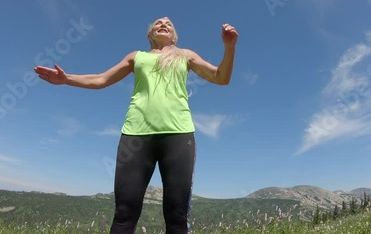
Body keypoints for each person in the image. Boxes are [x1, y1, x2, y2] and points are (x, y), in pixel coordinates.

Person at [34, 17, 238, 234]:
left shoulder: (185, 55)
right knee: (124, 213)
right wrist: (67, 79)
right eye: (158, 22)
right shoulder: (136, 57)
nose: (163, 24)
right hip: (135, 137)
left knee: (177, 215)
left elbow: (221, 77)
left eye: (169, 24)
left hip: (178, 136)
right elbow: (101, 79)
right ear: (150, 34)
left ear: (174, 36)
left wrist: (229, 47)